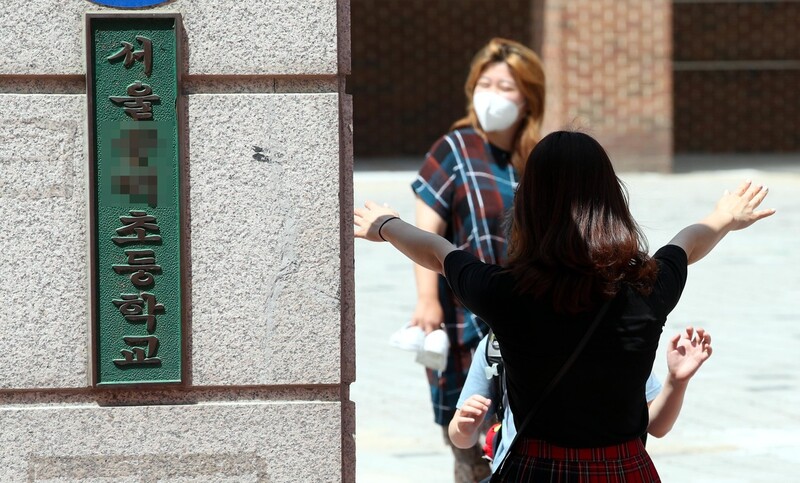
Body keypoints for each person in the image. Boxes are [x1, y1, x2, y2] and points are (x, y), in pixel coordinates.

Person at [354, 130, 774, 481]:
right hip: (624, 468)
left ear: (529, 207)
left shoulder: (506, 292)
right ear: (612, 198)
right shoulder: (648, 285)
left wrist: (387, 226)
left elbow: (438, 251)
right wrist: (724, 215)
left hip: (535, 469)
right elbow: (687, 241)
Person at [409, 37, 545, 481]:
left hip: (525, 324)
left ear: (528, 98)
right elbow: (425, 231)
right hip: (467, 323)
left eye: (506, 86)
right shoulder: (455, 148)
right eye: (485, 83)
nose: (493, 95)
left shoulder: (534, 158)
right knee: (472, 446)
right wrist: (426, 301)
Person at [449, 326, 714, 475]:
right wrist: (464, 426)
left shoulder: (615, 341)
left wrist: (676, 382)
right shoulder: (499, 344)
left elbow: (655, 425)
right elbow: (460, 437)